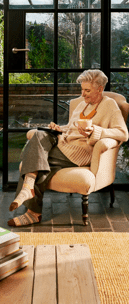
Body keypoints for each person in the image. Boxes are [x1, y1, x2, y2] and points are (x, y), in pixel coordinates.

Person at [8, 69, 128, 227]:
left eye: (87, 90)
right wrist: (59, 129)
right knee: (39, 135)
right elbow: (71, 129)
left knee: (34, 155)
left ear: (100, 89)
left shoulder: (109, 105)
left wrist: (97, 131)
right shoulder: (82, 105)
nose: (83, 95)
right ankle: (30, 195)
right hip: (64, 144)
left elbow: (123, 133)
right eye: (82, 90)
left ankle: (32, 207)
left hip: (79, 152)